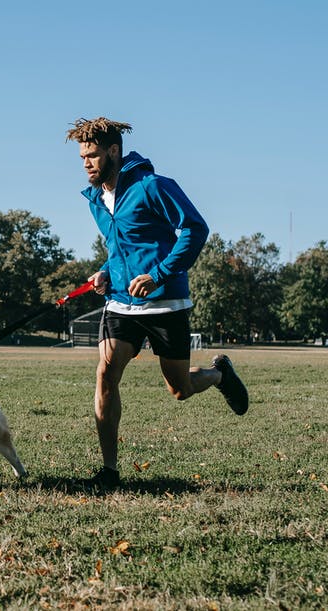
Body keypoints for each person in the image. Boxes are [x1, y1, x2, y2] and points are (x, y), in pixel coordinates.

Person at [67, 117, 249, 491]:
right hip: (120, 304)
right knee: (106, 373)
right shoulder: (96, 199)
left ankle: (218, 374)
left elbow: (195, 229)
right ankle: (110, 471)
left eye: (93, 155)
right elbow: (120, 249)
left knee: (179, 389)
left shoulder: (153, 187)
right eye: (82, 156)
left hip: (166, 301)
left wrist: (159, 274)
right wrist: (104, 272)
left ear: (114, 151)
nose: (86, 163)